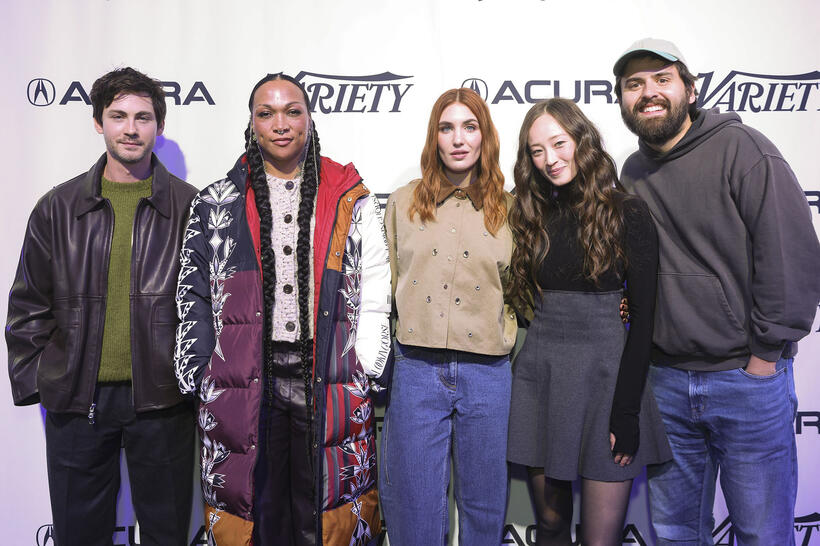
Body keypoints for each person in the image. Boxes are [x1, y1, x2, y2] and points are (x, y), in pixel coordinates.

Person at [614, 38, 820, 545]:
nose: (648, 93)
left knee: (761, 533)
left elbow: (790, 254)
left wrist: (765, 355)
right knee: (675, 532)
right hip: (665, 383)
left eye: (662, 79)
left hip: (744, 381)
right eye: (634, 85)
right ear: (621, 99)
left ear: (689, 87)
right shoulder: (631, 173)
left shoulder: (743, 150)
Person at [174, 73, 391, 546]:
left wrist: (367, 362)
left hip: (326, 375)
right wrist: (201, 369)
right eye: (266, 113)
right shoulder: (217, 202)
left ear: (309, 120)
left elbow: (374, 282)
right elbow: (194, 292)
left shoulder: (349, 195)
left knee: (322, 514)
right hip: (251, 380)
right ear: (251, 124)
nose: (280, 123)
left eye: (292, 111)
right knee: (259, 512)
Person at [6, 67, 197, 546]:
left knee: (167, 532)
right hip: (77, 401)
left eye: (143, 117)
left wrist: (194, 381)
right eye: (118, 116)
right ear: (98, 122)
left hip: (164, 400)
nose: (131, 128)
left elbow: (210, 307)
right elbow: (28, 303)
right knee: (77, 534)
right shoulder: (58, 206)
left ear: (159, 125)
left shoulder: (193, 207)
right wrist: (43, 382)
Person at [506, 98, 672, 546]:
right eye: (536, 151)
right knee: (553, 526)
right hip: (541, 377)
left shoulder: (628, 213)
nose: (549, 159)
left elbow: (643, 321)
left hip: (607, 381)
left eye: (558, 144)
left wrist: (627, 411)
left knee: (602, 539)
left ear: (582, 140)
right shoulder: (528, 215)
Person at [379, 87, 516, 545]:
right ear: (434, 137)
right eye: (447, 127)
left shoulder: (512, 211)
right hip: (416, 369)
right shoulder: (401, 203)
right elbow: (385, 289)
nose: (458, 139)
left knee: (484, 506)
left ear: (485, 137)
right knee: (415, 507)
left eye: (470, 126)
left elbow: (523, 294)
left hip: (489, 373)